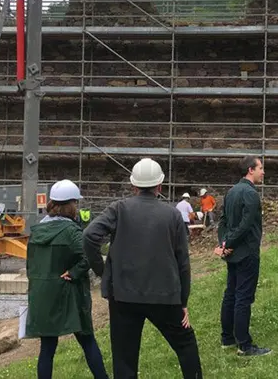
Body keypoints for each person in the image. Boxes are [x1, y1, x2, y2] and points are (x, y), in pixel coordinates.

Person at [83, 158, 202, 379]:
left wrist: (102, 271)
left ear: (133, 185)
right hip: (164, 295)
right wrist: (183, 301)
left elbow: (90, 236)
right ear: (160, 186)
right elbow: (182, 261)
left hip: (123, 295)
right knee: (186, 345)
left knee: (124, 359)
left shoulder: (119, 209)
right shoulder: (173, 215)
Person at [26, 179, 109, 379]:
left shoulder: (36, 231)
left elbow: (31, 266)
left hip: (44, 295)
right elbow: (88, 255)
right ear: (70, 205)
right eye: (75, 203)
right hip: (70, 296)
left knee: (47, 348)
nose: (77, 207)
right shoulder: (72, 232)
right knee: (88, 341)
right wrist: (74, 272)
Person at [216, 156, 271, 356]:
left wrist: (223, 243)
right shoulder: (250, 193)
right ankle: (244, 345)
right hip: (246, 251)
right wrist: (227, 243)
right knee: (243, 297)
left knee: (230, 293)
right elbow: (246, 225)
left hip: (232, 252)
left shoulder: (231, 192)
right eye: (260, 168)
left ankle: (227, 338)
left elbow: (222, 222)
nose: (263, 172)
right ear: (250, 170)